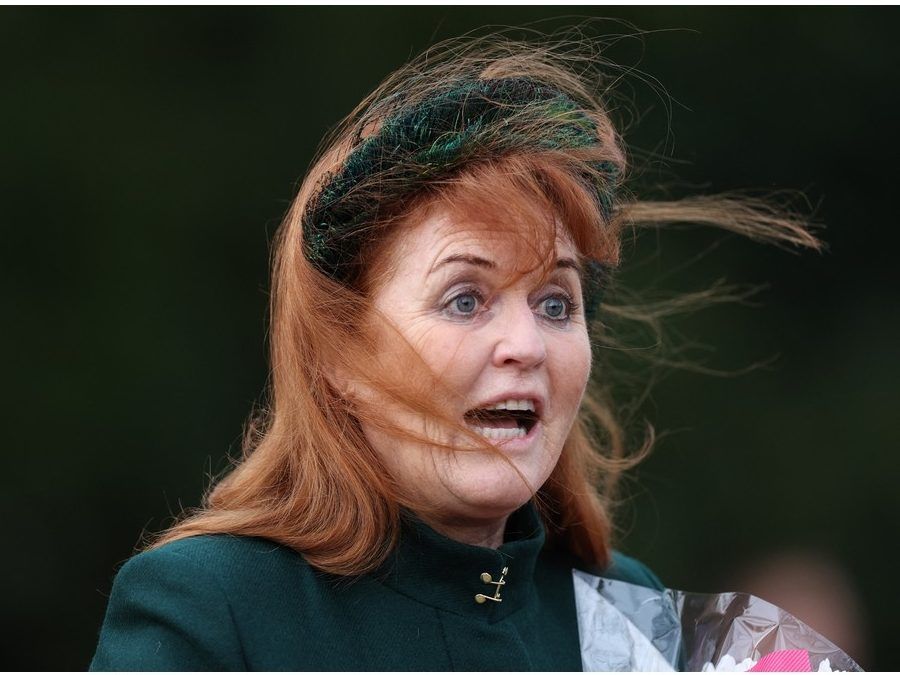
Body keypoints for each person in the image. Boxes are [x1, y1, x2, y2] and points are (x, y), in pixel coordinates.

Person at [89, 31, 819, 671]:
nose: (526, 345)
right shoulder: (209, 607)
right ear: (340, 356)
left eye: (556, 304)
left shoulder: (629, 615)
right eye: (465, 298)